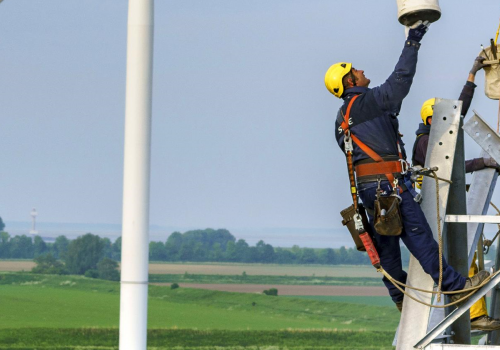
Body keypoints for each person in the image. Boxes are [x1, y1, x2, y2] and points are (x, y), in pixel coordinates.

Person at [324, 21, 489, 312]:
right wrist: (413, 41)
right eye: (356, 70)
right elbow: (401, 79)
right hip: (389, 185)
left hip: (368, 191)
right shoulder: (368, 103)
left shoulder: (342, 118)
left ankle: (399, 296)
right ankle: (454, 286)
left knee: (386, 244)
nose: (362, 71)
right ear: (350, 82)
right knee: (418, 235)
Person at [412, 57, 500, 331]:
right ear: (432, 119)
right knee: (463, 260)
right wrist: (481, 163)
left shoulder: (433, 137)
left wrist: (472, 74)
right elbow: (449, 168)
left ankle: (473, 314)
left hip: (444, 207)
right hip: (437, 211)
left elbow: (460, 110)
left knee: (467, 258)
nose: (450, 122)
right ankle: (473, 316)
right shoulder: (427, 142)